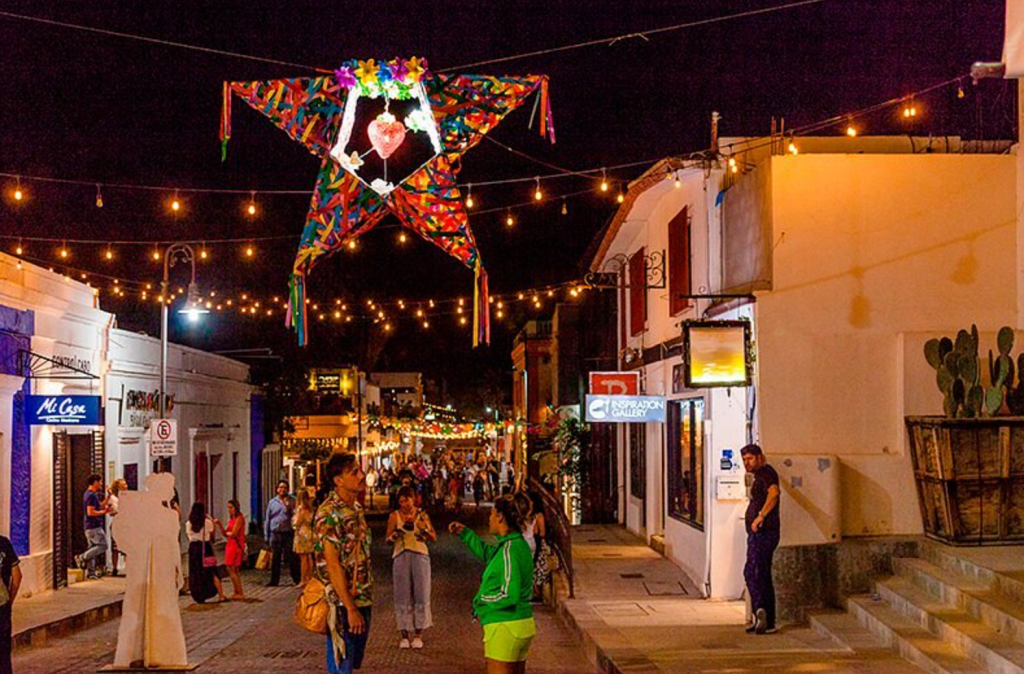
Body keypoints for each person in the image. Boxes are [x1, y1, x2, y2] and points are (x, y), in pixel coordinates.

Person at [450, 495, 536, 673]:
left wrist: (481, 599)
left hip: (505, 626)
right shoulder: (515, 545)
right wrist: (466, 534)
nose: (489, 519)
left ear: (500, 516)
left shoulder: (509, 550)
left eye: (491, 514)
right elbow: (490, 555)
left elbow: (508, 594)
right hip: (520, 624)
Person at [314, 453, 372, 674]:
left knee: (354, 660)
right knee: (342, 665)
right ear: (338, 480)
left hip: (364, 596)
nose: (361, 475)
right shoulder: (328, 514)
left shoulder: (356, 510)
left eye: (359, 470)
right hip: (340, 602)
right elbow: (332, 564)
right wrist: (349, 607)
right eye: (354, 472)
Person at [386, 485, 436, 649]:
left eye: (406, 501)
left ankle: (418, 635)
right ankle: (404, 635)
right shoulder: (394, 516)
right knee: (402, 595)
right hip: (401, 555)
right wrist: (394, 536)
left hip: (420, 555)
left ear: (413, 499)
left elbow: (433, 537)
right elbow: (387, 538)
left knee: (421, 594)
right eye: (401, 502)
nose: (404, 505)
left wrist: (425, 530)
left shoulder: (422, 515)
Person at [741, 443, 781, 635]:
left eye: (749, 459)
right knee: (760, 572)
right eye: (744, 460)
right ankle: (763, 617)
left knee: (753, 571)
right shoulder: (760, 476)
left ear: (759, 457)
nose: (746, 463)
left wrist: (760, 517)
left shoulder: (766, 473)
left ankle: (761, 611)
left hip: (764, 532)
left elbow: (774, 494)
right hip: (758, 532)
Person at [186, 502, 226, 603]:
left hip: (193, 549)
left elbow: (189, 537)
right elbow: (212, 532)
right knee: (212, 571)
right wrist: (211, 520)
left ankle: (199, 595)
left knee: (196, 572)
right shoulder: (207, 522)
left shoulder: (188, 523)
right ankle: (221, 595)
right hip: (205, 548)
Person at [265, 480, 300, 586]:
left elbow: (296, 516)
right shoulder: (272, 502)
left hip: (288, 532)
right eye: (280, 487)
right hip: (275, 533)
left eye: (285, 487)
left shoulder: (292, 501)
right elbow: (268, 518)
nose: (282, 489)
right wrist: (267, 535)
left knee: (291, 557)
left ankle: (296, 578)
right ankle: (274, 580)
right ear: (277, 489)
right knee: (276, 558)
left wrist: (289, 508)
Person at [75, 474, 109, 580]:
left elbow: (100, 505)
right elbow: (91, 512)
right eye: (99, 481)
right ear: (94, 482)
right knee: (103, 545)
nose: (101, 484)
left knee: (92, 548)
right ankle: (82, 557)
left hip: (89, 527)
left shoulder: (89, 494)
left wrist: (108, 497)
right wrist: (104, 512)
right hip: (94, 526)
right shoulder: (91, 495)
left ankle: (91, 572)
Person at [216, 499, 247, 600]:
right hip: (230, 544)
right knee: (232, 569)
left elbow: (234, 533)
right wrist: (219, 525)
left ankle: (239, 592)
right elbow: (226, 533)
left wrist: (229, 533)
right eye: (228, 508)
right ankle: (237, 591)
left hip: (235, 545)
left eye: (231, 507)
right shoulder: (231, 519)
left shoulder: (239, 518)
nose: (229, 510)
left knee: (231, 568)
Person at [0, 534, 22, 674]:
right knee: (3, 652)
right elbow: (17, 576)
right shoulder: (3, 543)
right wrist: (9, 600)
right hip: (2, 604)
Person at [293, 489, 316, 587]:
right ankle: (310, 577)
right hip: (310, 532)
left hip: (302, 533)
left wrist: (293, 523)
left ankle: (303, 579)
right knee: (309, 557)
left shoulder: (300, 509)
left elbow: (297, 522)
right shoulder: (311, 508)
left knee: (303, 558)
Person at [108, 478, 128, 577]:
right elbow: (114, 510)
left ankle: (128, 567)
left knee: (127, 546)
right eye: (123, 485)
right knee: (115, 547)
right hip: (117, 523)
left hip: (126, 523)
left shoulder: (127, 497)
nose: (126, 486)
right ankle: (115, 568)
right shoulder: (113, 498)